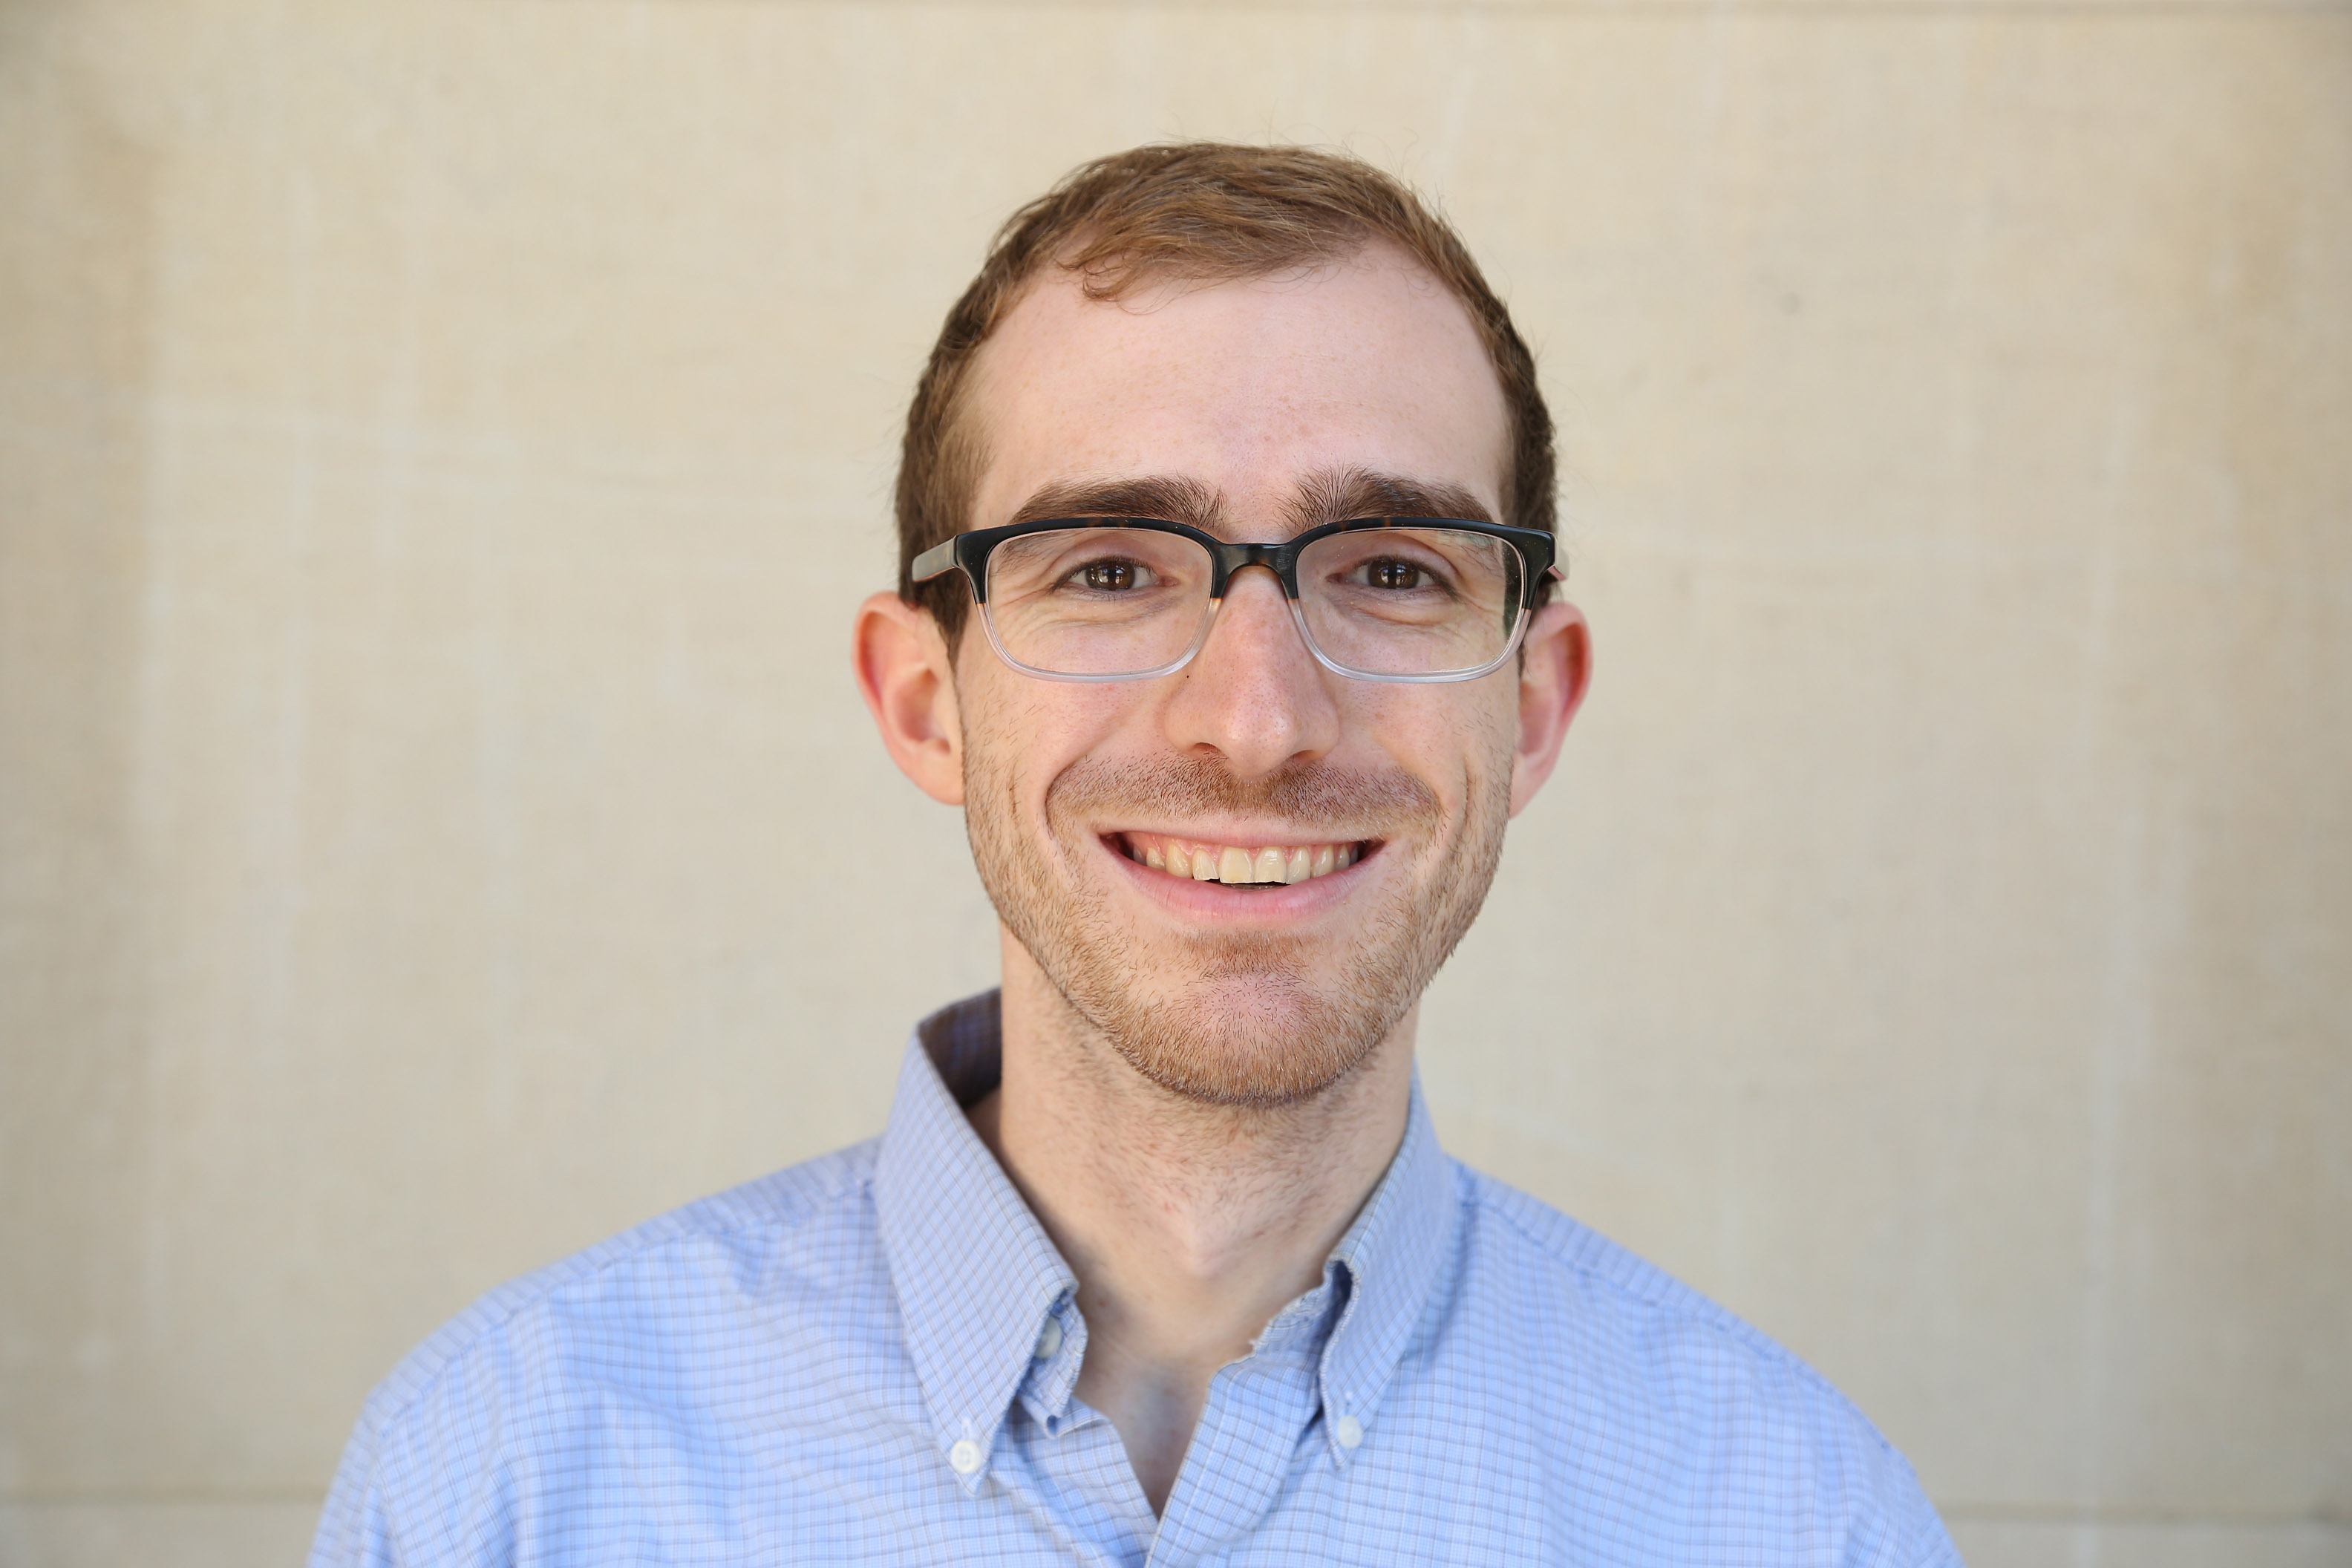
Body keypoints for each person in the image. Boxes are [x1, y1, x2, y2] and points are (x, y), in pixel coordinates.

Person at [311, 143, 1960, 1567]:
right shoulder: (504, 1484)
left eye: (1392, 569)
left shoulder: (1793, 1518)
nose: (1256, 722)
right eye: (1109, 569)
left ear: (1530, 707)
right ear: (924, 702)